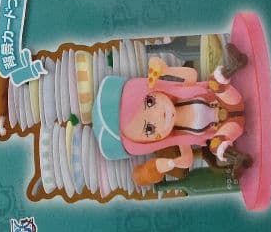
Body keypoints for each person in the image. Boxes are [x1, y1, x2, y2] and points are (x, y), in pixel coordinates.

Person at [89, 44, 249, 186]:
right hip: (230, 128)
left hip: (229, 100)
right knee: (215, 146)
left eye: (150, 102)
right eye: (149, 128)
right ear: (155, 141)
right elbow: (187, 160)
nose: (160, 115)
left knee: (215, 83)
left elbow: (191, 75)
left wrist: (166, 70)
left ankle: (234, 64)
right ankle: (237, 158)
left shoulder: (181, 95)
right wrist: (170, 163)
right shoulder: (182, 137)